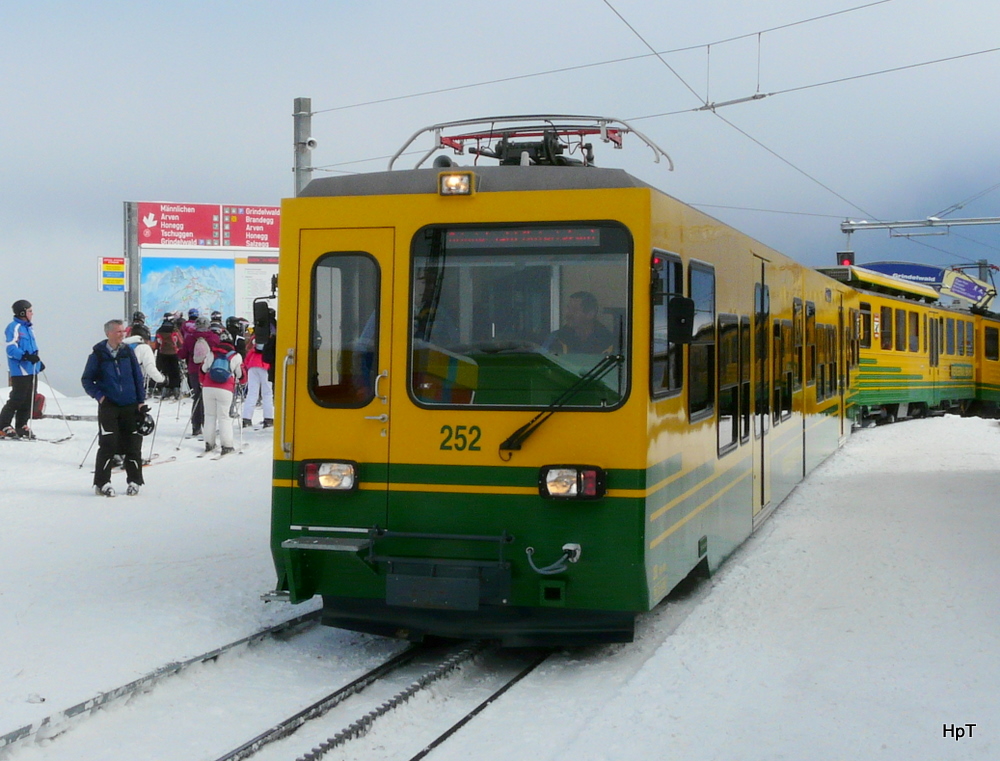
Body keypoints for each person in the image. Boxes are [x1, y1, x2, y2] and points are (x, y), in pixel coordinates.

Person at [81, 319, 148, 497]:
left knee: (133, 445)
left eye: (123, 331)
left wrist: (141, 401)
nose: (122, 334)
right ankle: (102, 483)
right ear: (108, 333)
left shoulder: (128, 352)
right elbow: (87, 380)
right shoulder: (98, 355)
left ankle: (135, 481)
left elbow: (137, 377)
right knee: (108, 445)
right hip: (109, 406)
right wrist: (100, 397)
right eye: (118, 331)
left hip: (131, 405)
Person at [1, 299, 42, 439]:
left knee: (29, 398)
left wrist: (37, 361)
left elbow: (33, 349)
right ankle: (3, 425)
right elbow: (10, 349)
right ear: (23, 312)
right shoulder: (14, 327)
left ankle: (21, 425)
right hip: (20, 370)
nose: (32, 313)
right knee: (17, 398)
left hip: (31, 369)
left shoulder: (29, 328)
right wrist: (25, 357)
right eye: (30, 311)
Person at [201, 335, 243, 455]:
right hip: (225, 388)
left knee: (209, 415)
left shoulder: (211, 353)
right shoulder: (236, 355)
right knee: (224, 417)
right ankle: (227, 445)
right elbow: (240, 374)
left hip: (208, 387)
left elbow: (204, 369)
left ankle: (209, 443)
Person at [177, 315, 219, 436]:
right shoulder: (214, 338)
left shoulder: (189, 338)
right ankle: (208, 426)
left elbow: (182, 354)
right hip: (209, 370)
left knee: (197, 396)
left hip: (194, 370)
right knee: (209, 398)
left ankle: (196, 426)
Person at [542, 291, 616, 355]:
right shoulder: (555, 338)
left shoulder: (608, 342)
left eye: (574, 310)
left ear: (590, 314)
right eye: (568, 308)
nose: (568, 314)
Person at [241, 331, 273, 428]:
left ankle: (246, 418)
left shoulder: (256, 338)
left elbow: (249, 352)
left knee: (252, 393)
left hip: (252, 365)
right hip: (265, 366)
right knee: (267, 393)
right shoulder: (271, 338)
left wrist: (245, 366)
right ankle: (268, 418)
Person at [153, 312, 183, 399]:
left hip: (162, 353)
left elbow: (156, 344)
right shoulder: (175, 330)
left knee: (165, 371)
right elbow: (180, 343)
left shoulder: (159, 331)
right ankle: (176, 389)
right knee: (175, 371)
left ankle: (165, 389)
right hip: (174, 353)